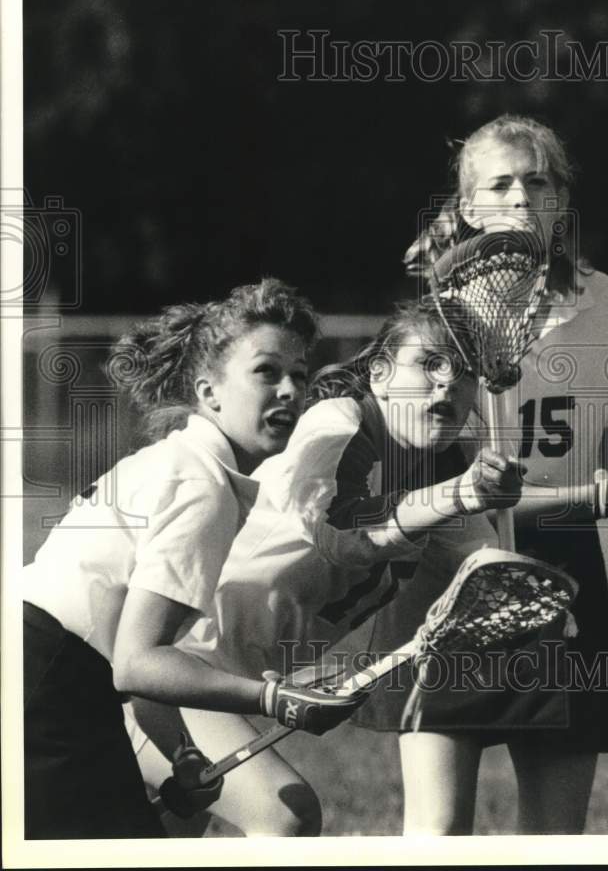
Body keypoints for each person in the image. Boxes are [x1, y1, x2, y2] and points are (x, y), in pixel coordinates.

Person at [128, 290, 608, 837]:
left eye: (464, 373)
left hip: (232, 684)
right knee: (287, 818)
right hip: (173, 677)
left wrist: (577, 548)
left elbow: (488, 558)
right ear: (379, 375)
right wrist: (463, 493)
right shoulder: (336, 423)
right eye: (428, 364)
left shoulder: (433, 478)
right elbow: (342, 535)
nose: (448, 382)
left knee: (161, 838)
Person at [353, 113, 608, 835]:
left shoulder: (601, 299)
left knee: (556, 834)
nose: (519, 197)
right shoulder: (437, 316)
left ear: (561, 203)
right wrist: (604, 500)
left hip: (566, 565)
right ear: (467, 207)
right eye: (499, 183)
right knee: (440, 830)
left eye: (536, 181)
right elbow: (432, 483)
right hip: (455, 567)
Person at [22, 278, 367, 840]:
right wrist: (272, 697)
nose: (289, 390)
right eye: (267, 372)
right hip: (48, 687)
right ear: (209, 393)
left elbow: (138, 661)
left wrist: (182, 754)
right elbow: (136, 663)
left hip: (50, 677)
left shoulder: (186, 465)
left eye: (300, 376)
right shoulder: (201, 485)